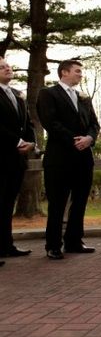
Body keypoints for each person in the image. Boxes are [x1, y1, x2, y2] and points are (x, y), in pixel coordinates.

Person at [37, 59, 100, 260]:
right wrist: (74, 140)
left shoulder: (83, 98)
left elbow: (94, 123)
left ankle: (74, 241)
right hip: (60, 158)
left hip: (83, 158)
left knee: (80, 201)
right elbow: (50, 122)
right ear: (64, 72)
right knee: (57, 203)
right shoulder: (48, 94)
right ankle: (53, 245)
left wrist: (89, 138)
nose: (81, 75)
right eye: (77, 71)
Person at [0, 57, 36, 263]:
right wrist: (17, 141)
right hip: (1, 156)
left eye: (8, 66)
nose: (7, 68)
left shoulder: (17, 94)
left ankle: (7, 245)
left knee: (7, 204)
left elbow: (28, 123)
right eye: (2, 67)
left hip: (17, 159)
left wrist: (31, 143)